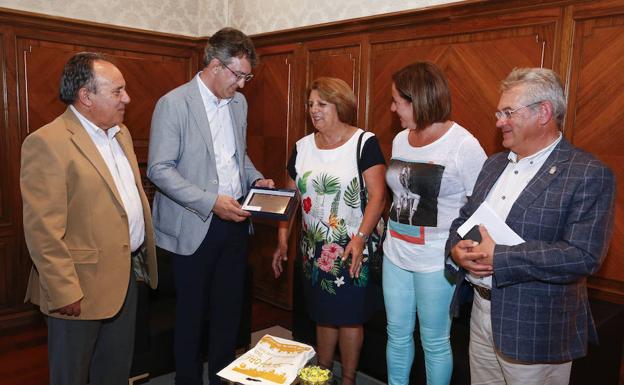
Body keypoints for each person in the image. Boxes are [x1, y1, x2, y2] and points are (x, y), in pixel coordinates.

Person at [446, 67, 616, 385]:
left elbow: (583, 255)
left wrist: (501, 257)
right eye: (499, 112)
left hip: (537, 326)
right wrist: (456, 247)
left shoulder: (587, 173)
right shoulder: (494, 163)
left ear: (544, 113)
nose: (499, 121)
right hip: (480, 313)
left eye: (508, 112)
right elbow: (464, 218)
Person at [20, 52, 158, 385]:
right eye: (118, 91)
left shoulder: (120, 133)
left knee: (113, 373)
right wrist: (65, 291)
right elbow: (42, 231)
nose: (127, 98)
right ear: (86, 96)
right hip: (78, 290)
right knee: (73, 376)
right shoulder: (47, 143)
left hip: (125, 278)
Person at [147, 27, 274, 385]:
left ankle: (220, 379)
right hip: (193, 225)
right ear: (215, 65)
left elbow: (237, 157)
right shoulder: (174, 103)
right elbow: (159, 169)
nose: (243, 85)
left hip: (235, 222)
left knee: (228, 312)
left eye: (248, 77)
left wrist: (257, 179)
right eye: (239, 75)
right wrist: (210, 202)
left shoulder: (239, 103)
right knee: (191, 314)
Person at [272, 77, 386, 385]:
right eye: (310, 104)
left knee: (349, 317)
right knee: (323, 313)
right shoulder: (302, 147)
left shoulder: (365, 143)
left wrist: (360, 239)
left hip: (352, 248)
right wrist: (283, 239)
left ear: (340, 105)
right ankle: (322, 374)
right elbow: (291, 199)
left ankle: (348, 379)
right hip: (314, 250)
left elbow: (378, 196)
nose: (314, 110)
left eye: (321, 104)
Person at [383, 62, 486, 385]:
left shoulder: (463, 145)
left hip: (436, 262)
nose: (392, 108)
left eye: (397, 101)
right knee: (397, 335)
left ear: (418, 100)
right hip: (394, 253)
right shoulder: (401, 140)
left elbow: (482, 208)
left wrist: (464, 248)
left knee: (435, 342)